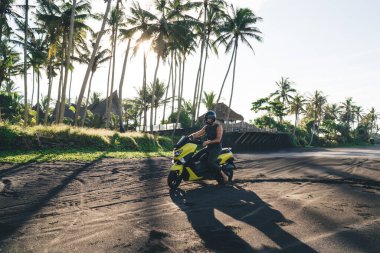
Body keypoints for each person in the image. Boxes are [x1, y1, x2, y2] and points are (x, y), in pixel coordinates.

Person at [189, 110, 230, 185]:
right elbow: (198, 134)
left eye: (210, 118)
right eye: (207, 118)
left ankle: (224, 176)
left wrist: (208, 142)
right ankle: (201, 175)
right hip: (208, 147)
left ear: (213, 118)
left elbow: (218, 139)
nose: (208, 119)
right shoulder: (206, 127)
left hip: (216, 148)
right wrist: (190, 136)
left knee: (211, 162)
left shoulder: (218, 126)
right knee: (194, 158)